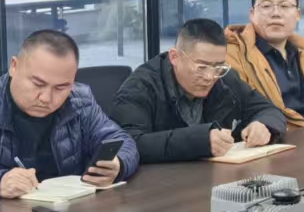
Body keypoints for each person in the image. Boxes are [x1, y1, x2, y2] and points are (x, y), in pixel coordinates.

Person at [0, 29, 138, 205]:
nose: (46, 98)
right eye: (37, 84)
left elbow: (123, 141)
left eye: (61, 87)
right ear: (14, 66)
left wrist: (118, 165)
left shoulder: (79, 99)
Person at [112, 19, 286, 162]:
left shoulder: (224, 77)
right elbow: (129, 143)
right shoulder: (140, 87)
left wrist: (263, 125)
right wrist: (200, 140)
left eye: (218, 66)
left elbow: (268, 110)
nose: (210, 77)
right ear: (175, 57)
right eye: (201, 67)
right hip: (161, 184)